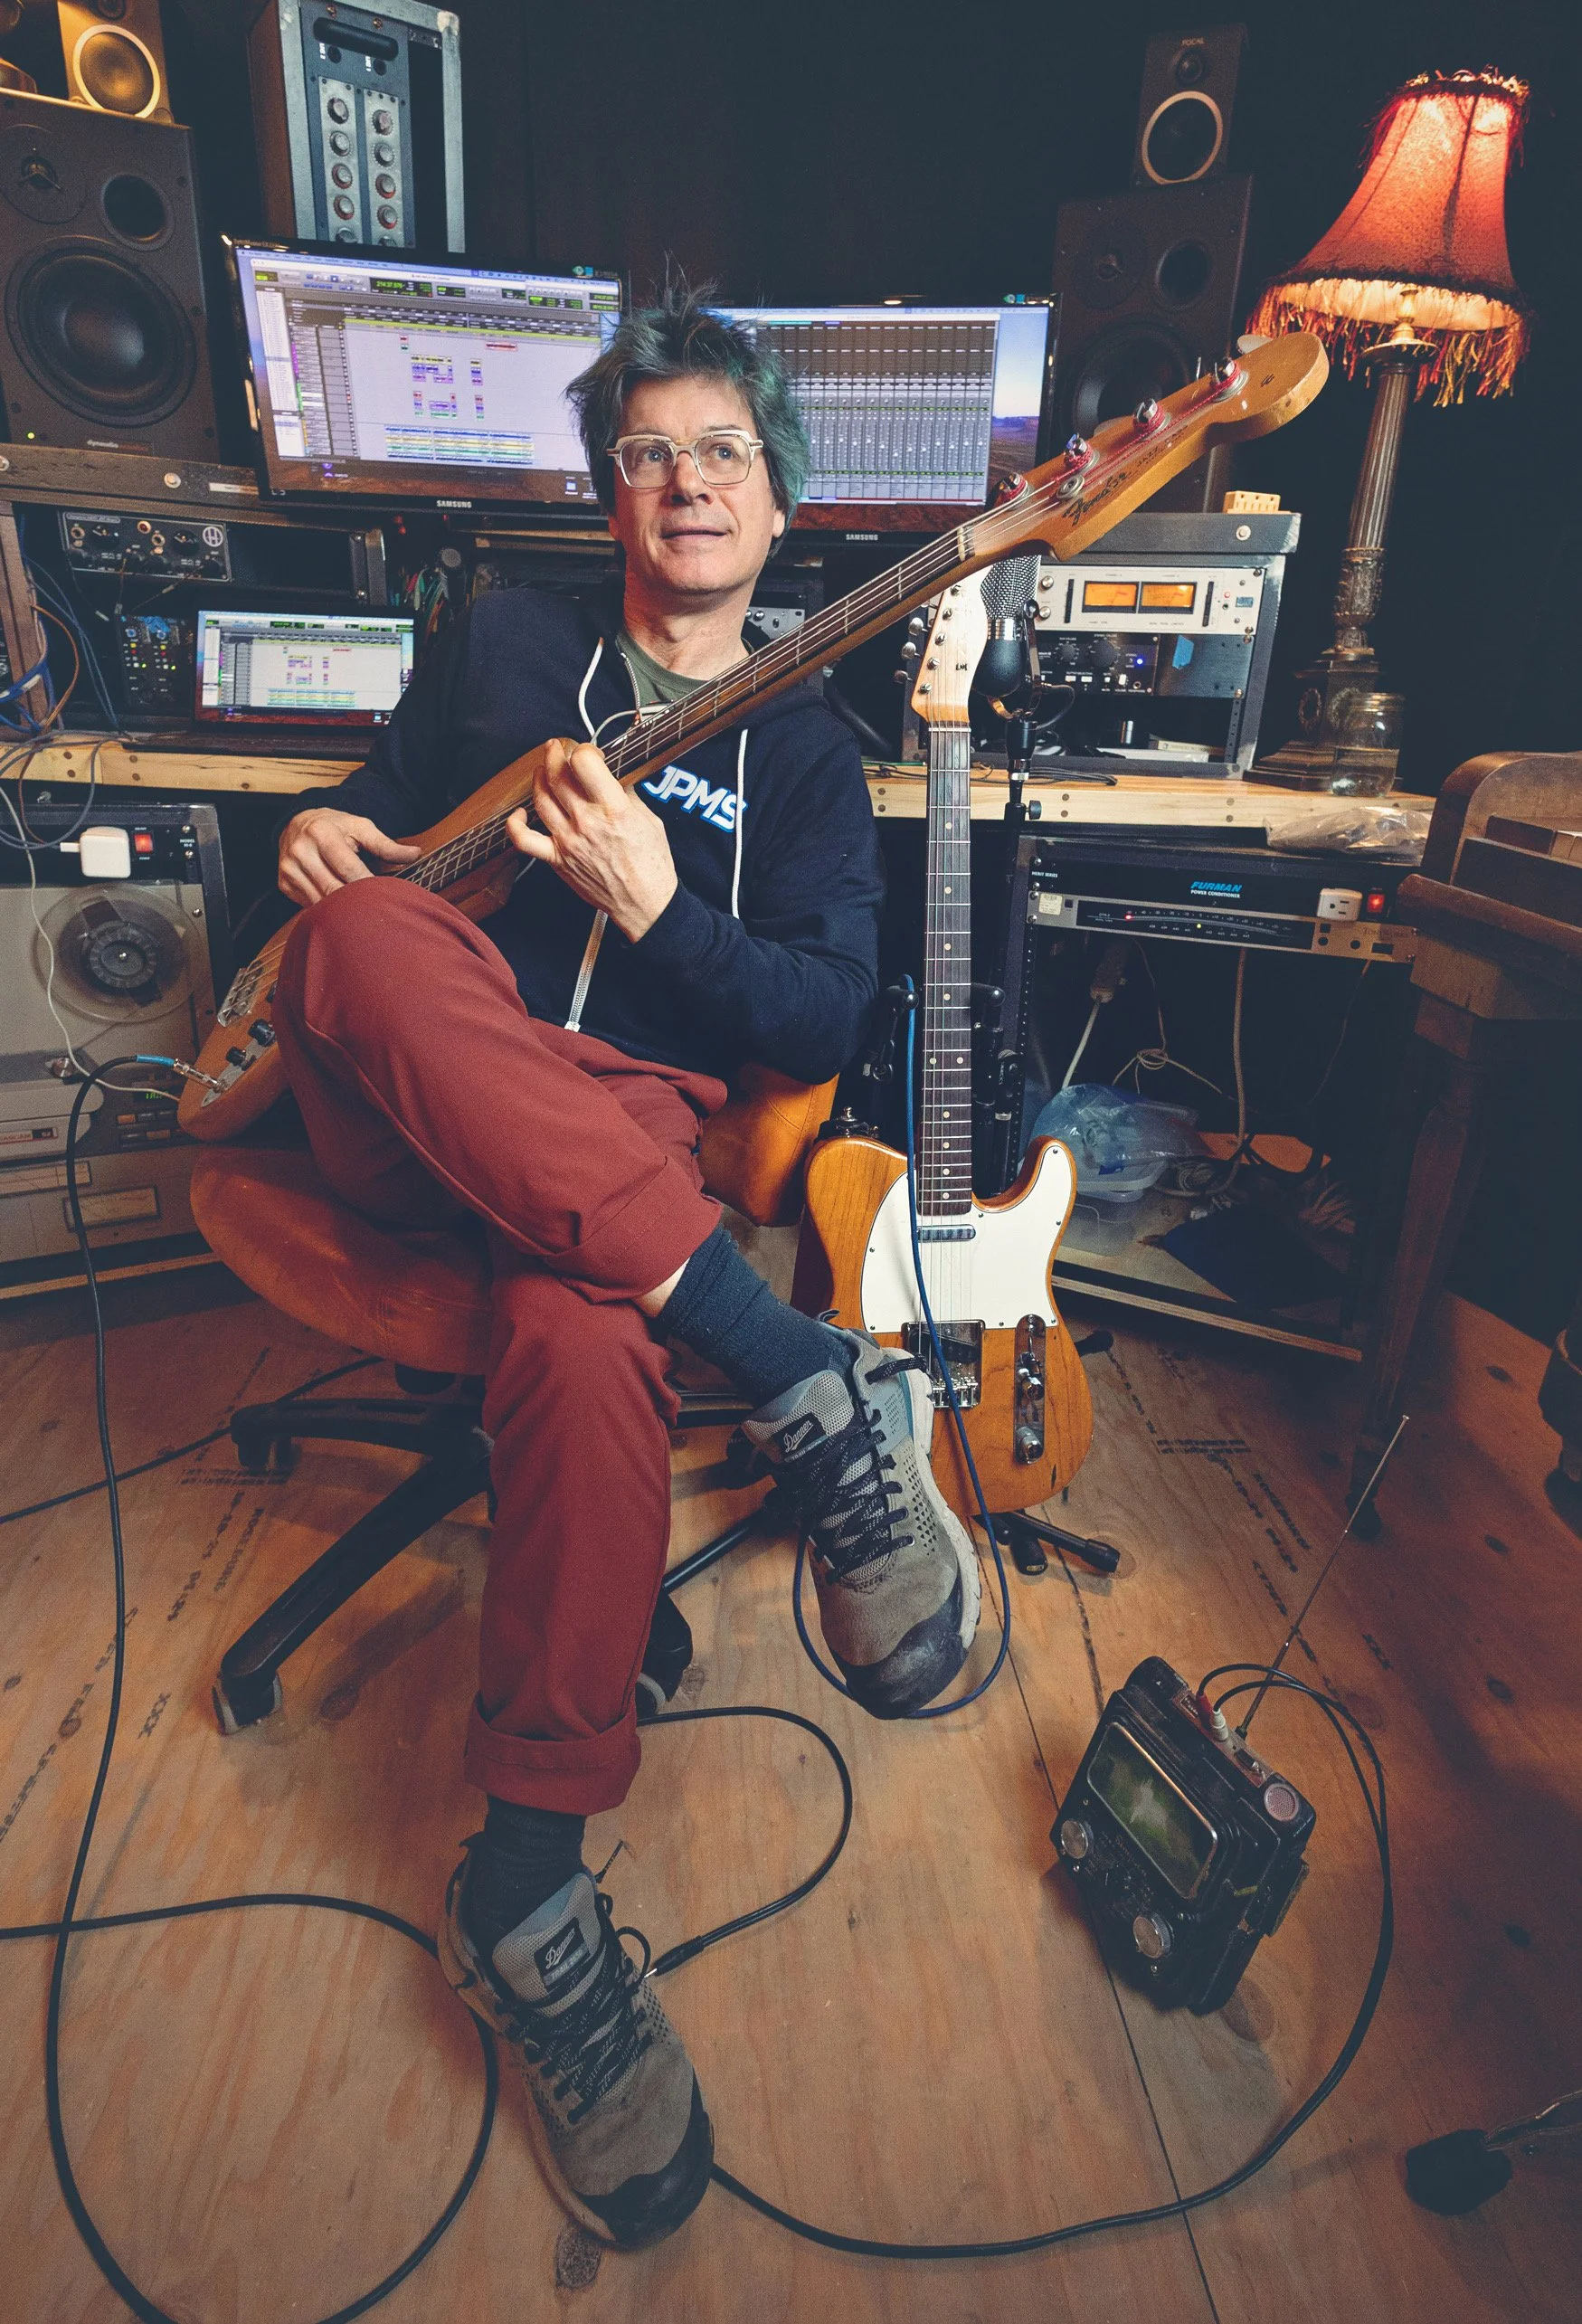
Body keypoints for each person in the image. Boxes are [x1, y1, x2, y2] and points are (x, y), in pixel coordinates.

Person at [270, 287, 980, 2250]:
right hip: (414, 1107)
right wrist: (325, 829)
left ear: (780, 501)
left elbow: (821, 1016)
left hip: (616, 1170)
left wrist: (664, 912)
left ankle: (523, 1889)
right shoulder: (507, 642)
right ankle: (792, 1370)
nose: (686, 482)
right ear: (610, 496)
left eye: (722, 451)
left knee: (584, 1340)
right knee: (360, 941)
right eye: (648, 452)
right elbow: (375, 831)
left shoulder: (813, 753)